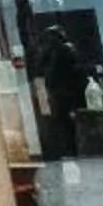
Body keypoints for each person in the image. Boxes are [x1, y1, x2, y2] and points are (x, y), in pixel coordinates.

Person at [28, 20, 90, 162]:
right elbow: (78, 77)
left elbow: (41, 78)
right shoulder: (62, 51)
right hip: (64, 100)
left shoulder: (47, 54)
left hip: (56, 101)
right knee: (68, 139)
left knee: (60, 138)